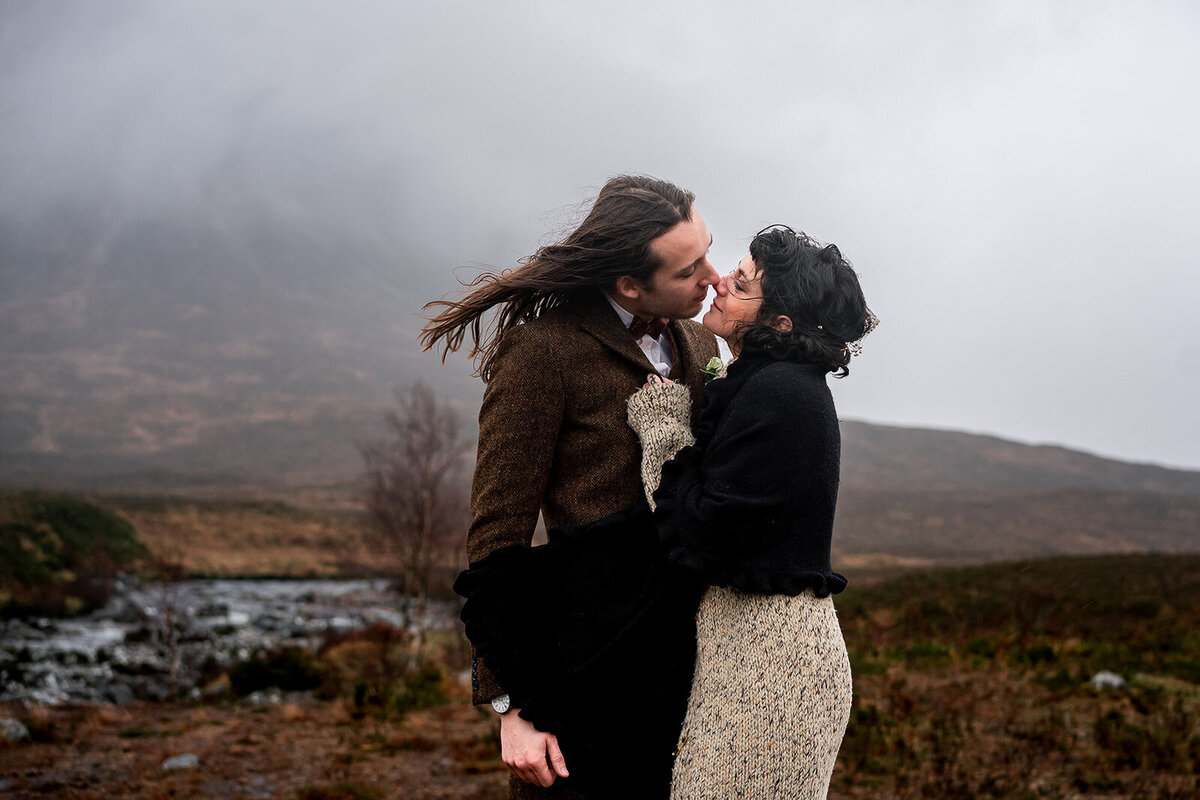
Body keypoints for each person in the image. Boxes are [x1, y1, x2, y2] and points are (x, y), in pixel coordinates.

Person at [421, 175, 721, 799]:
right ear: (629, 285)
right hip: (584, 675)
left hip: (690, 672)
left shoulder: (699, 337)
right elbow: (495, 539)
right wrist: (511, 707)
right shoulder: (542, 351)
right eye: (689, 269)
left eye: (709, 252)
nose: (713, 277)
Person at [625, 225, 876, 798]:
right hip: (751, 657)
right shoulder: (768, 383)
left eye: (740, 284)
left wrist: (664, 430)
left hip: (774, 674)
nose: (716, 283)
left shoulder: (783, 394)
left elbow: (700, 537)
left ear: (779, 325)